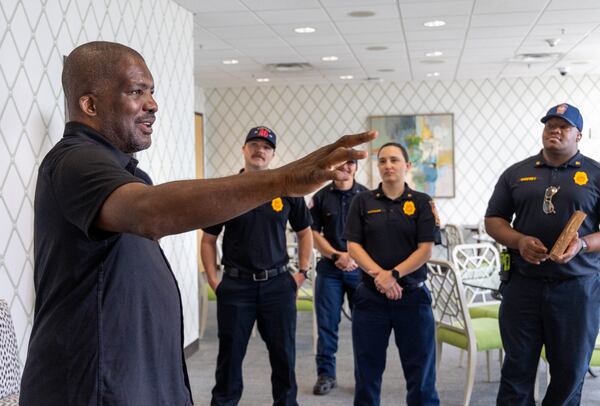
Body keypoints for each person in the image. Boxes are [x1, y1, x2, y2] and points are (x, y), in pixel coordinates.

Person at [19, 40, 375, 406]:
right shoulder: (75, 161)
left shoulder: (119, 169)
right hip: (90, 384)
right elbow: (150, 213)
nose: (153, 104)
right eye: (137, 92)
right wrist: (281, 180)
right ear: (90, 105)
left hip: (131, 377)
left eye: (152, 92)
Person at [485, 103, 600, 405]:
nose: (555, 130)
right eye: (550, 125)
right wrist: (519, 240)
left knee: (569, 374)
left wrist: (582, 245)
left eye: (563, 126)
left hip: (577, 289)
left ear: (579, 135)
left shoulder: (595, 174)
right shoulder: (516, 173)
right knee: (516, 372)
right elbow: (493, 220)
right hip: (523, 286)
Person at [200, 126, 313, 406]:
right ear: (243, 150)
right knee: (230, 355)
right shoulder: (226, 189)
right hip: (236, 286)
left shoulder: (287, 189)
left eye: (265, 146)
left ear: (272, 154)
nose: (259, 150)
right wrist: (215, 280)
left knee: (284, 355)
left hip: (278, 285)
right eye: (253, 144)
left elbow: (304, 232)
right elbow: (208, 239)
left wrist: (302, 272)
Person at [344, 142, 441, 406]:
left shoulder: (422, 202)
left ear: (407, 166)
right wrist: (381, 277)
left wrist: (394, 275)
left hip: (413, 299)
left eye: (394, 160)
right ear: (377, 167)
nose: (388, 165)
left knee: (421, 376)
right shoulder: (361, 201)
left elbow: (425, 250)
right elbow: (353, 246)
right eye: (383, 161)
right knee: (367, 374)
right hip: (370, 300)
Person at [309, 160, 368, 395]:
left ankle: (364, 376)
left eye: (350, 163)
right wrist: (336, 256)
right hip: (329, 270)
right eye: (340, 163)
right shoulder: (320, 197)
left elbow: (371, 234)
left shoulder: (367, 197)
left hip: (360, 270)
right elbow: (312, 233)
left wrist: (354, 257)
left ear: (356, 167)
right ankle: (326, 375)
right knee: (327, 326)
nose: (345, 167)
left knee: (364, 327)